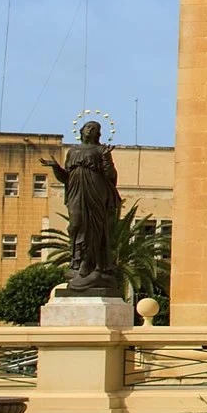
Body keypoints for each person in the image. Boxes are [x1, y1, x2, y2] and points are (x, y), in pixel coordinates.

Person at [49, 120, 124, 297]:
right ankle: (77, 262)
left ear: (98, 133)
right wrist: (55, 168)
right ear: (81, 130)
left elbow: (111, 176)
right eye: (88, 126)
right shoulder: (72, 151)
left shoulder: (101, 151)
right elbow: (66, 178)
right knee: (75, 225)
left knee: (94, 228)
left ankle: (90, 265)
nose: (90, 129)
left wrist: (106, 158)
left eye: (95, 128)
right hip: (76, 191)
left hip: (96, 192)